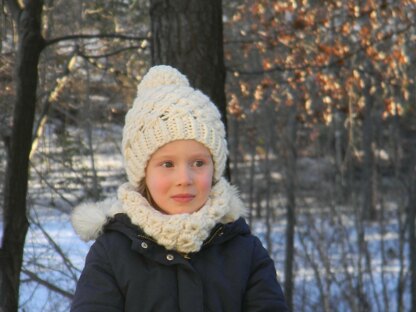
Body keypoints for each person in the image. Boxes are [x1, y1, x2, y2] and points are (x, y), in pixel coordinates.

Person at [70, 65, 288, 312]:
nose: (184, 178)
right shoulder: (112, 254)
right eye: (167, 164)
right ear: (143, 174)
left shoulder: (245, 253)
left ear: (215, 169)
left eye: (198, 163)